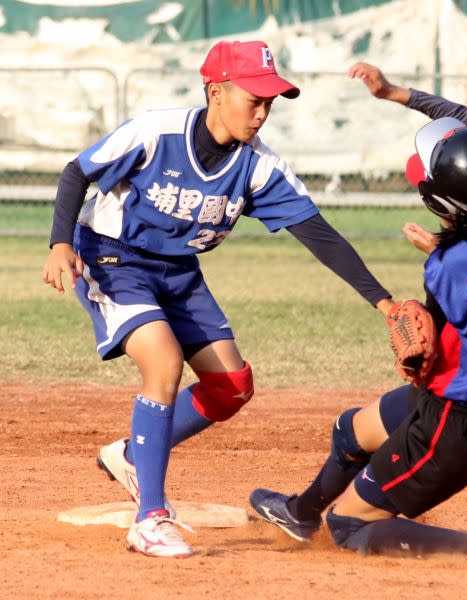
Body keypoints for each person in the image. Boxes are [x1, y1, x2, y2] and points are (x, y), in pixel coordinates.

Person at [41, 44, 395, 558]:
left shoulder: (257, 168)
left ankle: (133, 456)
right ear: (216, 91)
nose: (262, 112)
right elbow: (78, 171)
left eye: (270, 102)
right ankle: (150, 520)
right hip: (111, 257)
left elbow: (321, 236)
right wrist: (60, 245)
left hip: (180, 272)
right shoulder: (157, 132)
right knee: (163, 362)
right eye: (254, 99)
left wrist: (383, 303)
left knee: (231, 386)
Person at [249, 62, 467, 557]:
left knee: (349, 527)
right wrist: (392, 93)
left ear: (446, 203)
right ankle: (300, 515)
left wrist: (435, 259)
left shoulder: (447, 267)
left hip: (454, 423)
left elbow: (430, 338)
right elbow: (461, 118)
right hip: (453, 399)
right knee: (352, 429)